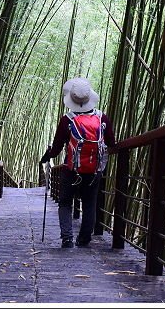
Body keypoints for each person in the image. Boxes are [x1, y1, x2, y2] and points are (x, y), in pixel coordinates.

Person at [40, 77, 116, 248]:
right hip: (94, 170)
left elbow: (58, 147)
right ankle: (84, 240)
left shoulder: (67, 119)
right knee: (89, 203)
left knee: (65, 202)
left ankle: (67, 238)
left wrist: (48, 155)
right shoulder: (102, 118)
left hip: (71, 170)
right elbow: (112, 143)